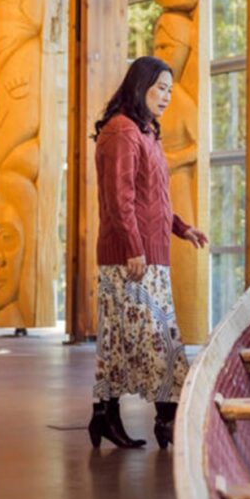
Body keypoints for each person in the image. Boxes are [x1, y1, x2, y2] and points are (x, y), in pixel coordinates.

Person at [88, 56, 208, 449]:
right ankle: (166, 421)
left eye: (170, 90)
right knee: (159, 342)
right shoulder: (122, 131)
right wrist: (134, 248)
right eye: (160, 88)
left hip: (148, 257)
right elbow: (119, 198)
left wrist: (183, 228)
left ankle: (104, 415)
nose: (166, 96)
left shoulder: (145, 132)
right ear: (140, 86)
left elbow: (151, 199)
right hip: (131, 259)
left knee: (124, 340)